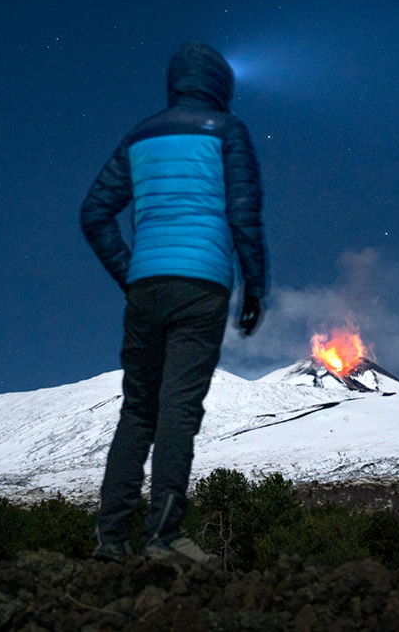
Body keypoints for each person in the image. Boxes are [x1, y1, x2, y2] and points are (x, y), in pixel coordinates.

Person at [80, 42, 267, 564]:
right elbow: (244, 215)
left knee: (137, 410)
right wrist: (255, 286)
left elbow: (95, 212)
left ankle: (111, 542)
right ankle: (163, 537)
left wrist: (130, 272)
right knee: (178, 411)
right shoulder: (228, 132)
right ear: (220, 85)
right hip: (201, 286)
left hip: (146, 288)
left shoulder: (140, 135)